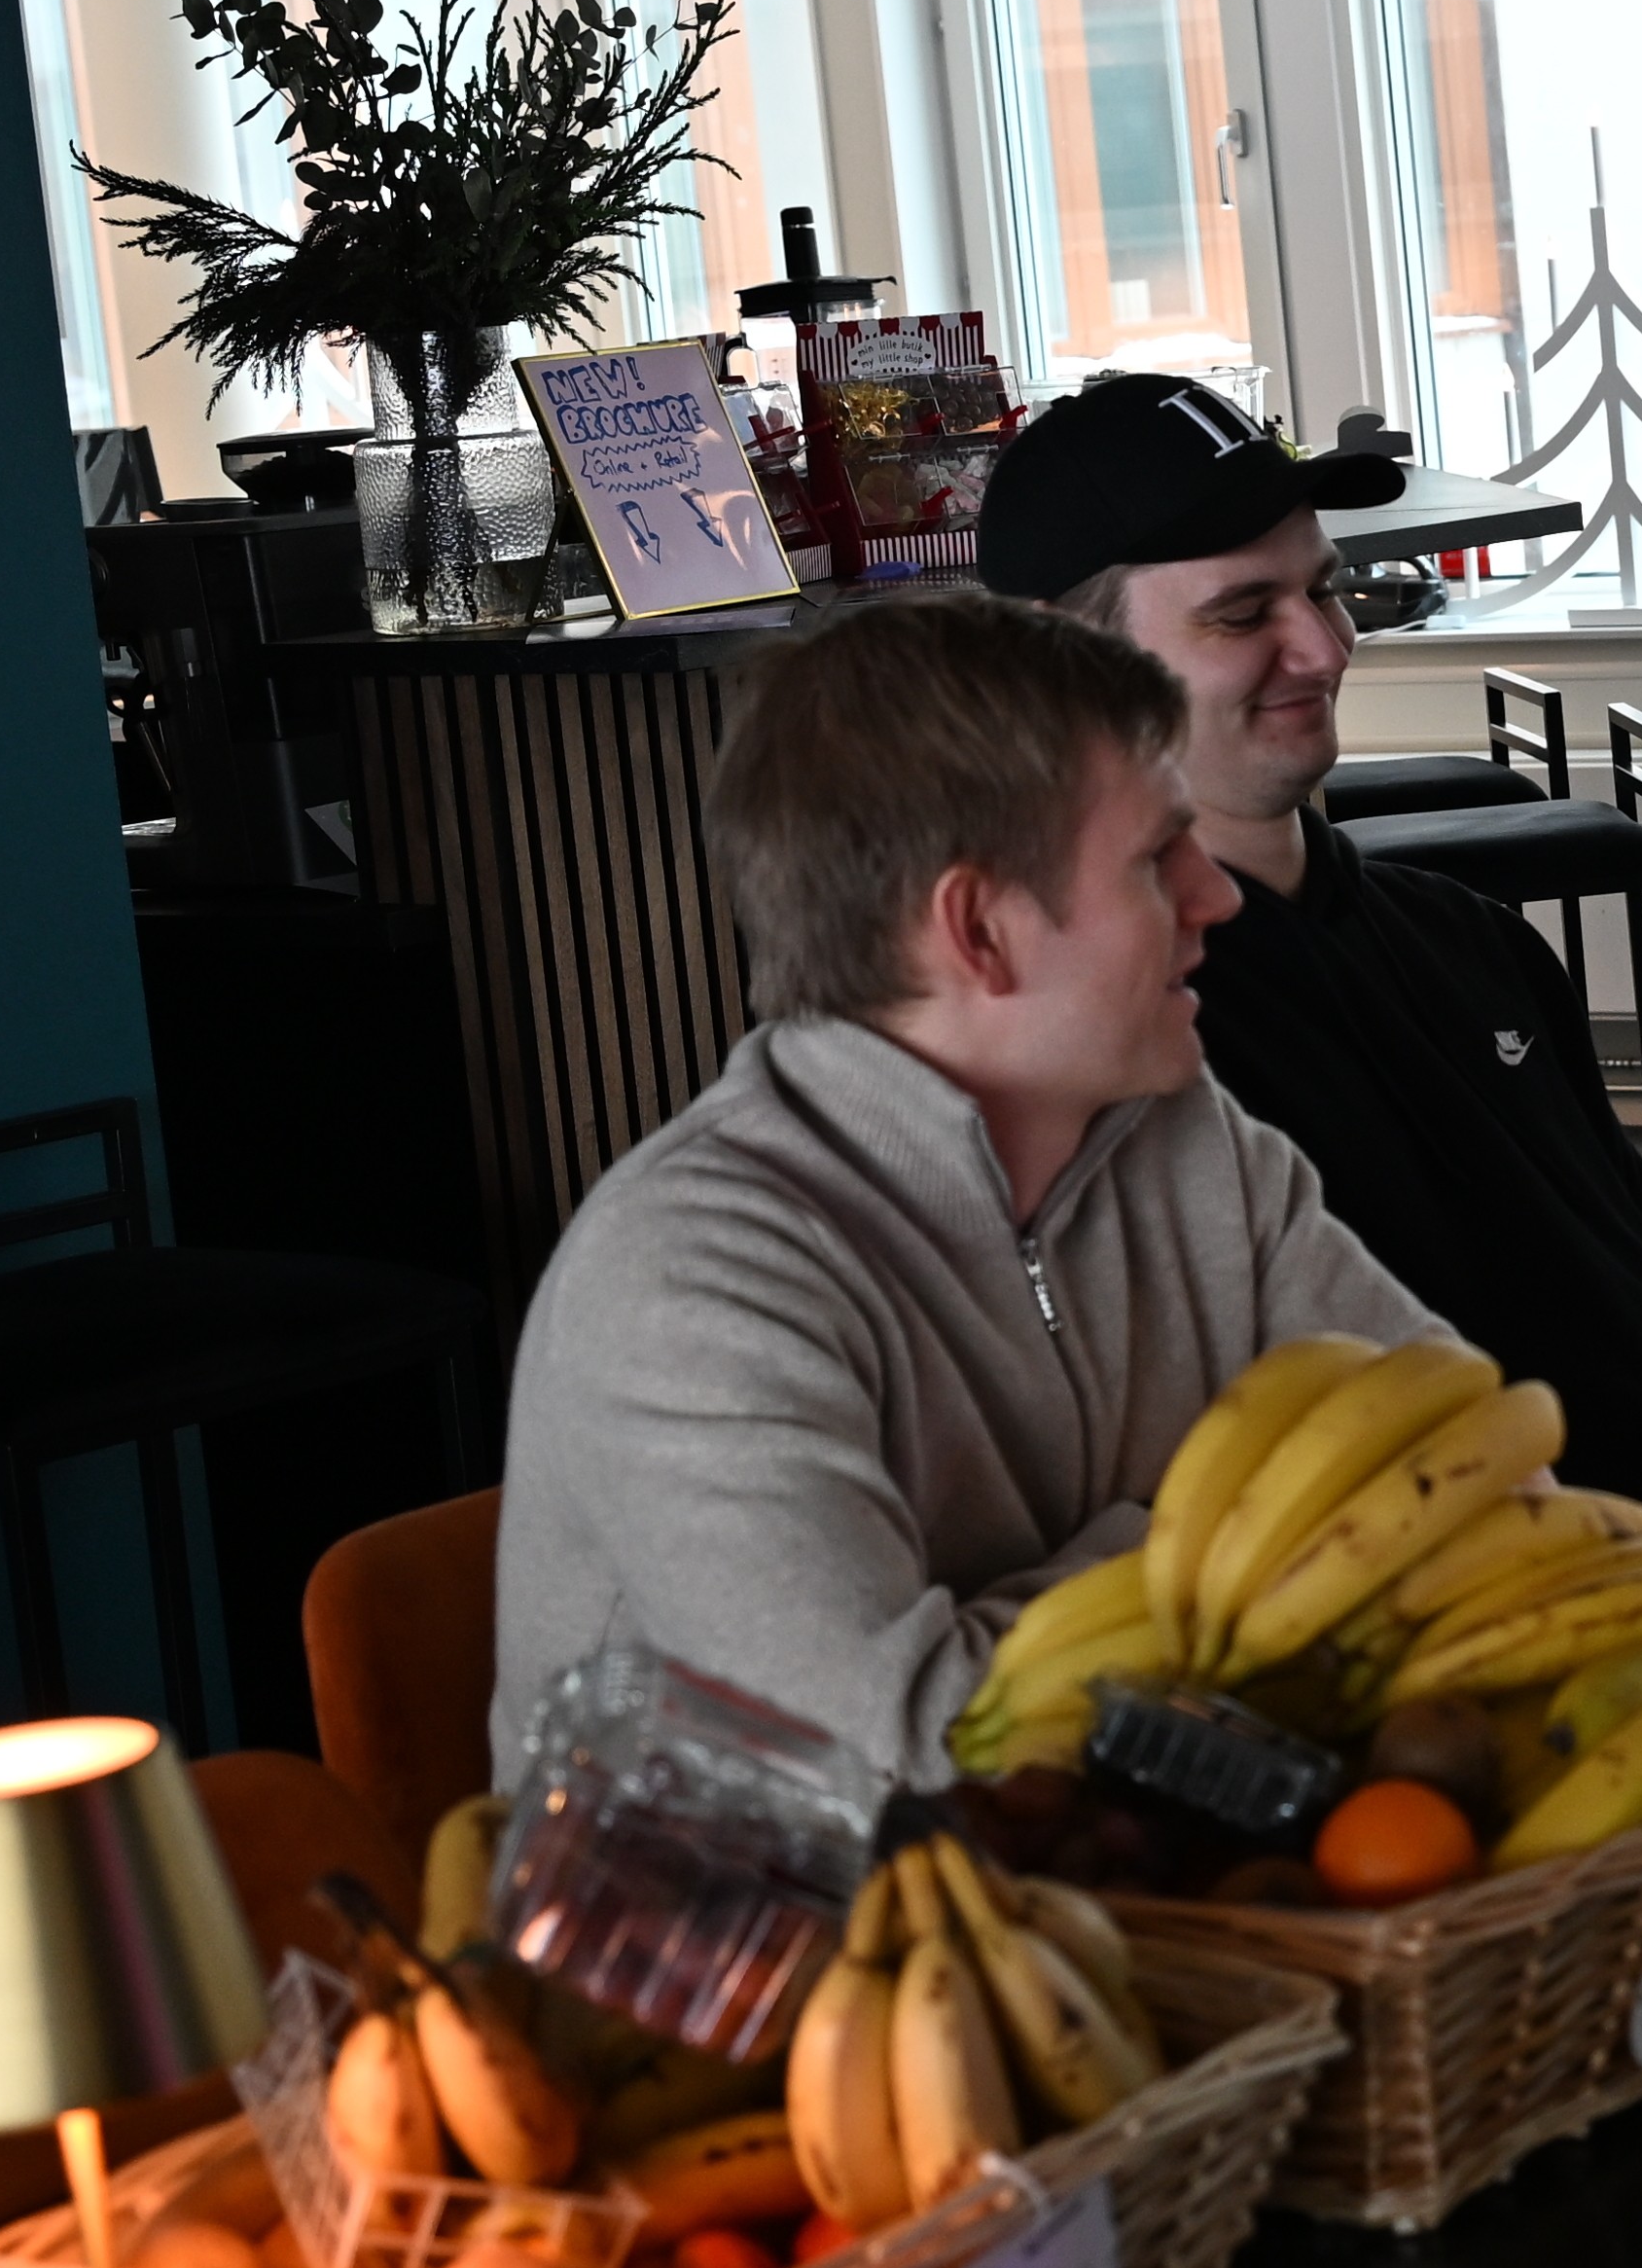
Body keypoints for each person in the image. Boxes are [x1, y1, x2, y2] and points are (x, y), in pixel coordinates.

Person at [487, 586, 1432, 1790]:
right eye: (1157, 858)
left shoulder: (1188, 1144)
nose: (1219, 896)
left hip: (1161, 1901)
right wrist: (1234, 1544)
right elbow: (913, 1759)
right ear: (979, 929)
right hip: (777, 1959)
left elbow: (1466, 1477)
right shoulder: (687, 1279)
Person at [982, 374, 1642, 1502]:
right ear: (1049, 665)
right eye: (1241, 615)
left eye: (1325, 592)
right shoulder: (1114, 1054)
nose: (1322, 651)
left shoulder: (1480, 949)